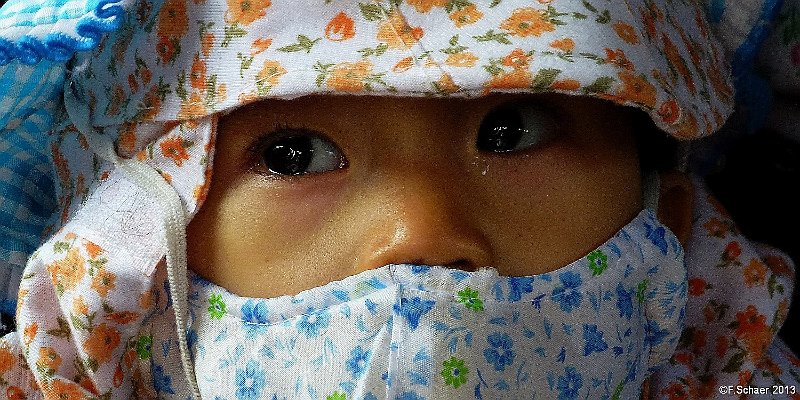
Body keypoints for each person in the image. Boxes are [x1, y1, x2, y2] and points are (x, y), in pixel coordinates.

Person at [0, 0, 795, 398]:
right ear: (130, 267)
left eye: (510, 131)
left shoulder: (737, 370)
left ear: (666, 232)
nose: (420, 230)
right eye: (293, 154)